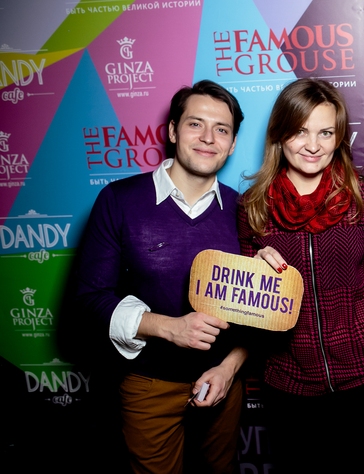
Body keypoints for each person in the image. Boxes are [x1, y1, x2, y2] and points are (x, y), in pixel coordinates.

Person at [75, 80, 247, 473]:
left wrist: (229, 368)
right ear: (172, 131)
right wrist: (169, 328)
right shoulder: (119, 200)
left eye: (221, 129)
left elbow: (259, 315)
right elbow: (89, 299)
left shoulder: (244, 210)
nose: (208, 138)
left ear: (233, 144)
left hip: (223, 380)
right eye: (195, 124)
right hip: (148, 382)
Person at [237, 78, 364, 473]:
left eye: (325, 133)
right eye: (300, 131)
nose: (313, 145)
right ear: (280, 134)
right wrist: (255, 271)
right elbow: (246, 308)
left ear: (339, 138)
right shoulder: (253, 206)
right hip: (289, 381)